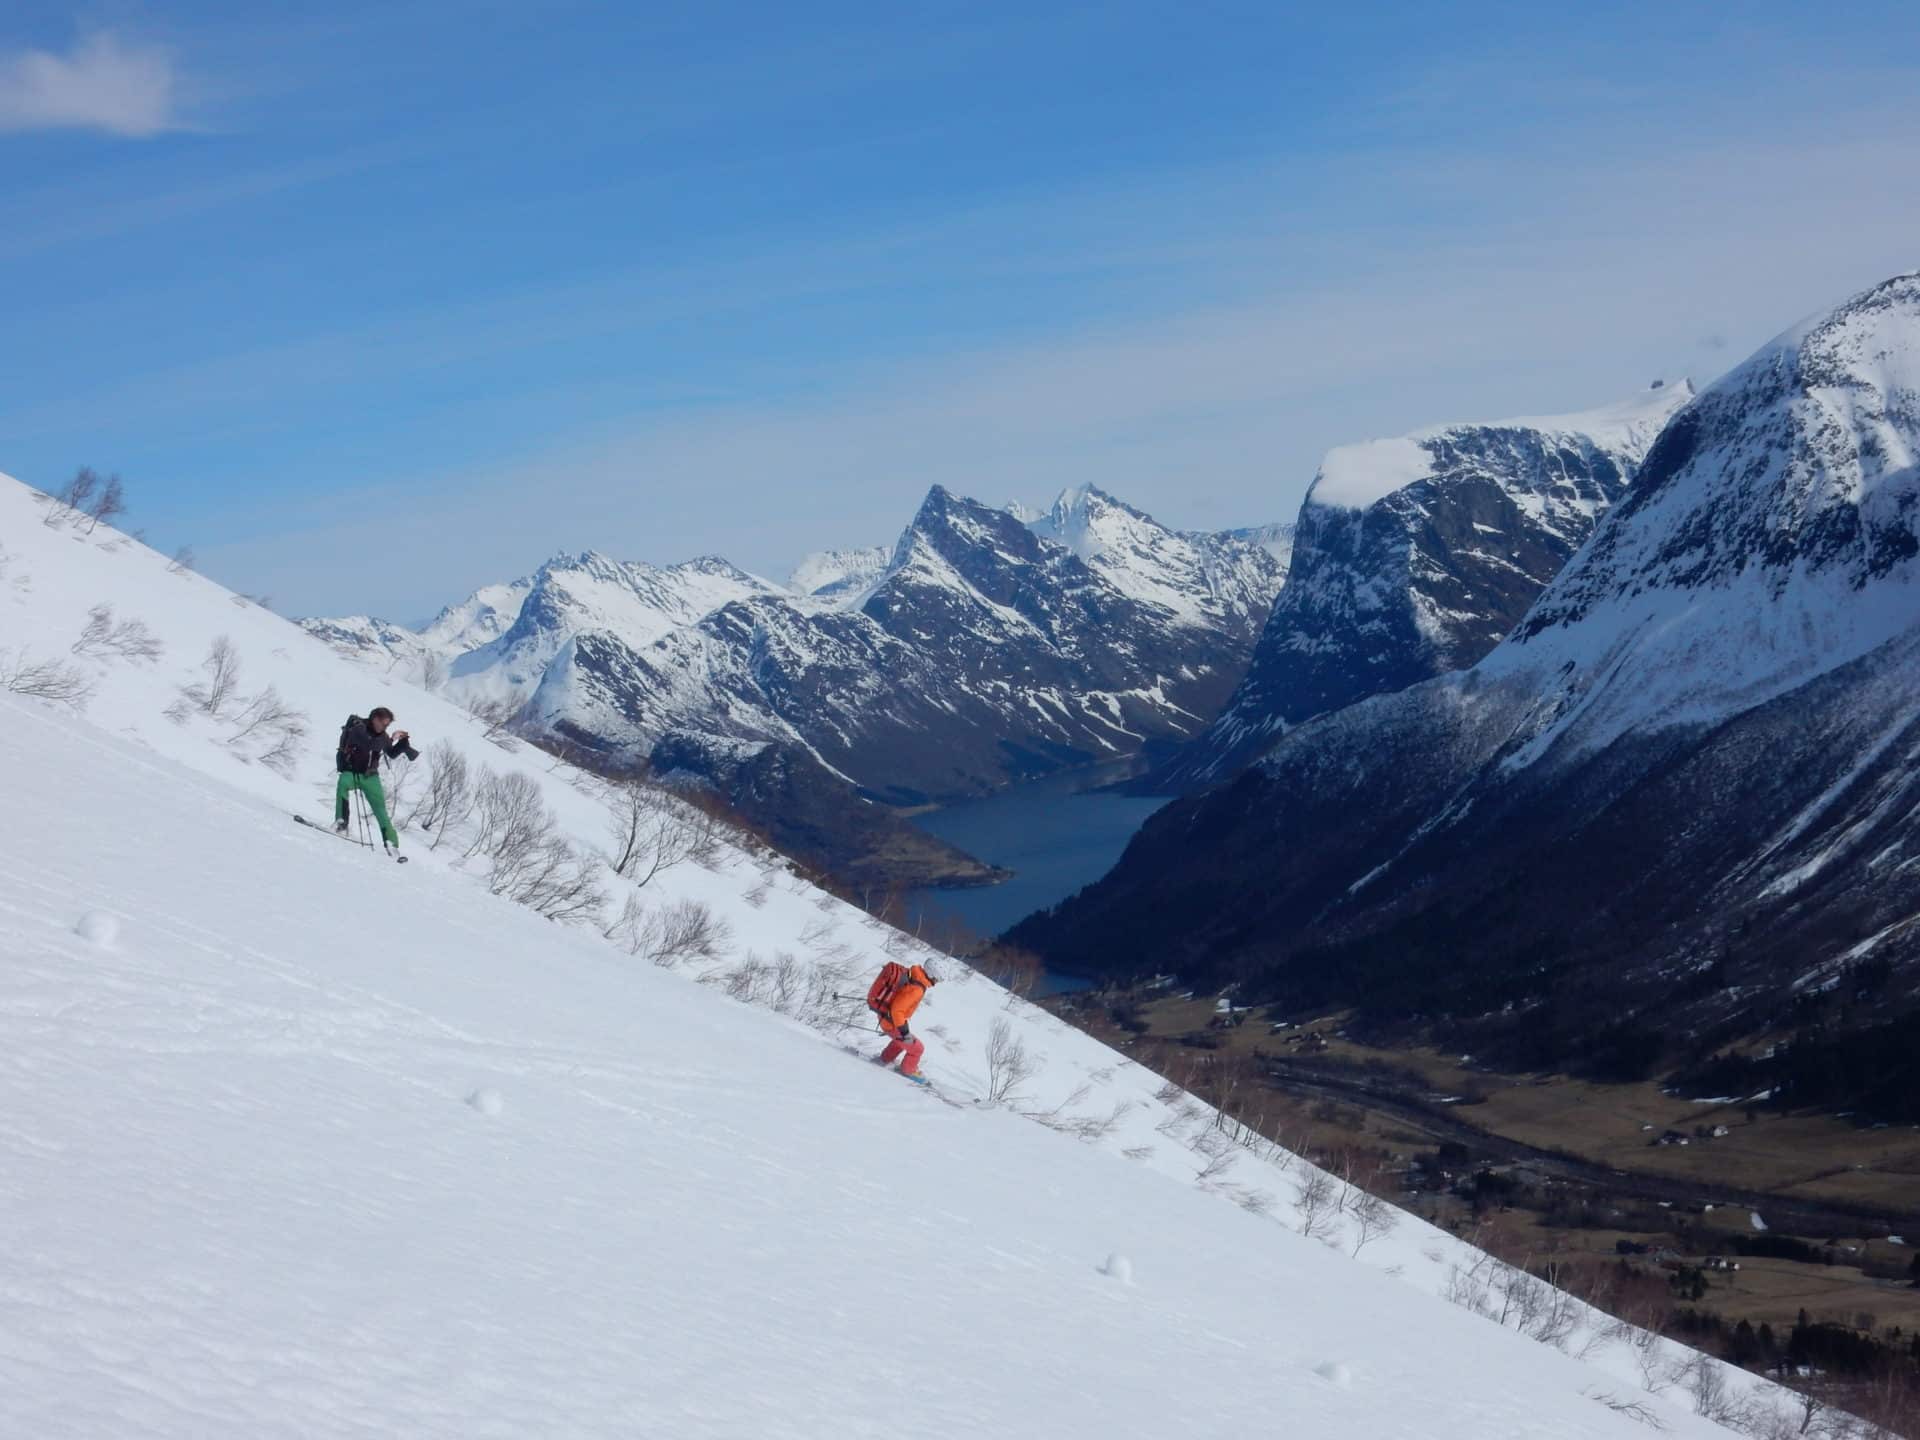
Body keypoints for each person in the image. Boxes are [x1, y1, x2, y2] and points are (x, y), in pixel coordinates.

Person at [334, 707, 419, 849]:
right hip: (352, 773)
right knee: (343, 783)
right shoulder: (358, 729)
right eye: (382, 722)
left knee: (380, 810)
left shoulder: (383, 737)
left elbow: (391, 753)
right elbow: (370, 742)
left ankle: (392, 844)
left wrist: (402, 743)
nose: (384, 726)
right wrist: (391, 738)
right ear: (374, 718)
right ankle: (341, 824)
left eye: (387, 724)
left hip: (371, 777)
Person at [874, 963, 939, 1083]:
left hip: (886, 1017)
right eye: (937, 978)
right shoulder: (917, 988)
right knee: (917, 1048)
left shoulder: (914, 975)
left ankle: (885, 1059)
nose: (937, 982)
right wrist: (904, 1032)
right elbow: (897, 1010)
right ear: (931, 975)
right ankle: (908, 1071)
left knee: (901, 1041)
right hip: (891, 1021)